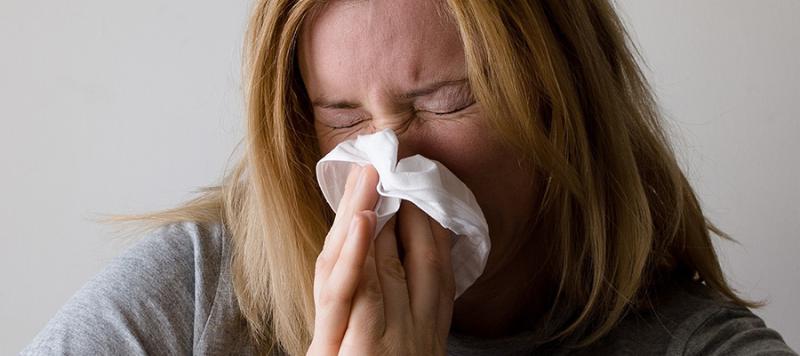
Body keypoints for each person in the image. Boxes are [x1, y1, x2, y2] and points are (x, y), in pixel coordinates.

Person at [22, 0, 797, 355]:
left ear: (565, 105)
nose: (389, 167)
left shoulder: (697, 346)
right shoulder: (192, 299)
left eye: (449, 101)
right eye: (344, 117)